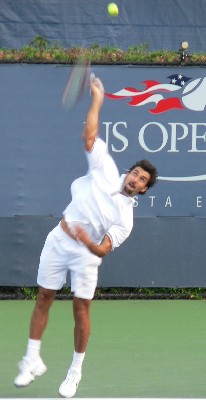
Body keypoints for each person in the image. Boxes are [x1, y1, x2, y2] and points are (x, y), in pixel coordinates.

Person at [14, 76, 158, 398]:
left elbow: (103, 249)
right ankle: (32, 358)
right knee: (43, 299)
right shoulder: (105, 168)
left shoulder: (126, 217)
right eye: (135, 173)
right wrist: (97, 99)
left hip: (86, 255)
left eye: (141, 180)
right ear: (129, 172)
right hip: (58, 239)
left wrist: (87, 242)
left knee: (81, 310)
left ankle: (75, 370)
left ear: (144, 189)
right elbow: (90, 135)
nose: (135, 179)